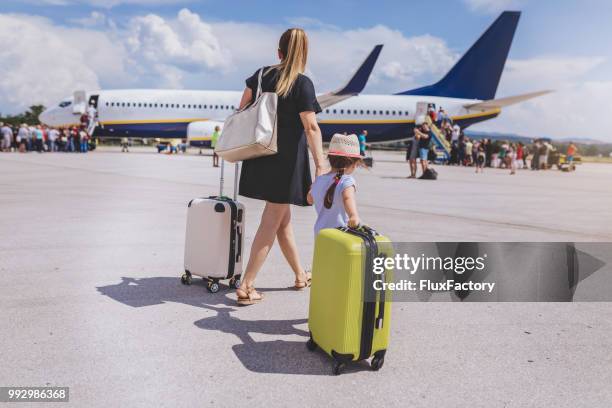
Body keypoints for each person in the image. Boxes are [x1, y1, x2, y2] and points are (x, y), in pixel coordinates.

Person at [236, 28, 325, 305]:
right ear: (304, 54)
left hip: (261, 155)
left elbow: (242, 107)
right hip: (286, 162)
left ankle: (300, 274)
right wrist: (321, 165)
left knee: (281, 219)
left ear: (279, 52)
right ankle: (246, 285)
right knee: (272, 219)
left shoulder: (261, 75)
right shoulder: (302, 83)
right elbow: (310, 126)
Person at [308, 133, 362, 237]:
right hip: (341, 236)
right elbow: (347, 198)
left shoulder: (319, 180)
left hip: (321, 235)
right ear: (353, 163)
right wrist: (353, 216)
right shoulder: (346, 181)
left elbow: (310, 199)